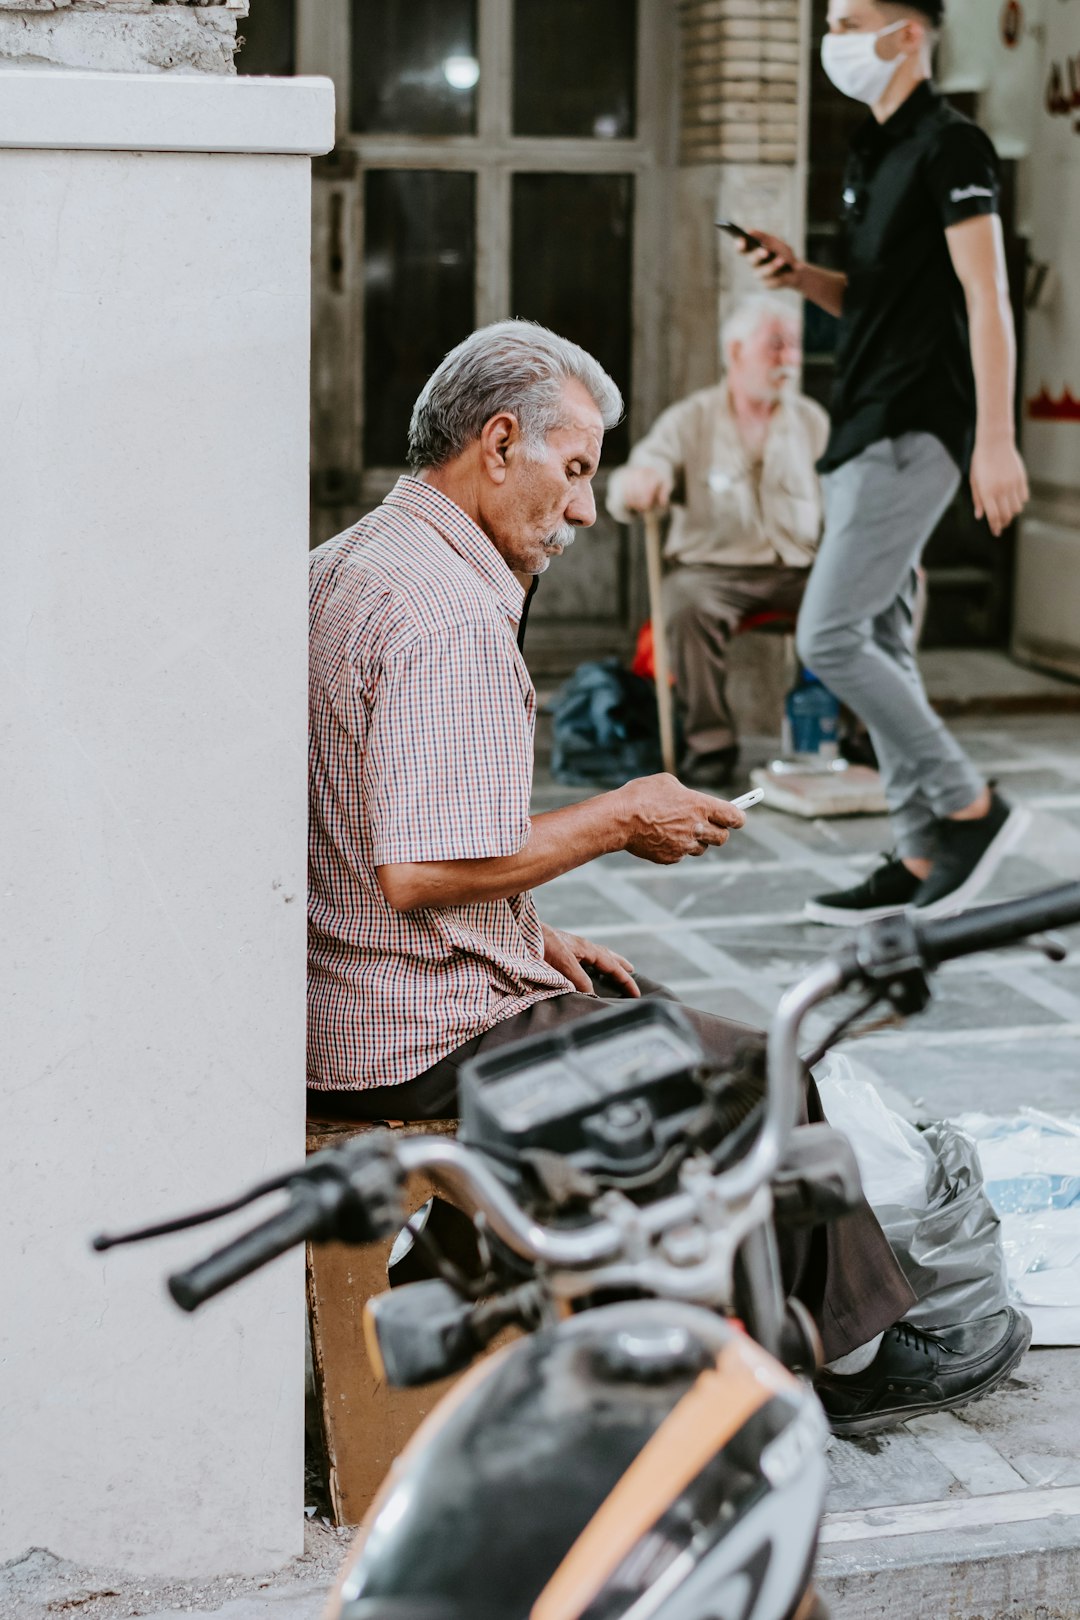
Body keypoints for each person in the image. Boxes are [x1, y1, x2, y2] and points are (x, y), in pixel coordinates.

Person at [308, 318, 1029, 1433]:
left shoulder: (353, 561)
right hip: (407, 1035)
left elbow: (366, 827)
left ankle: (646, 1330)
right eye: (576, 469)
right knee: (759, 1076)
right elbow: (414, 871)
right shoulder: (447, 614)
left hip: (351, 995)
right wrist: (618, 815)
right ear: (499, 444)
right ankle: (837, 1363)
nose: (587, 509)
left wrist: (528, 932)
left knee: (649, 1012)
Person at [741, 0, 1030, 926]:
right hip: (861, 423)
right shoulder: (872, 151)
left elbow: (988, 298)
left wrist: (994, 439)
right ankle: (914, 854)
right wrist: (800, 278)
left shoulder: (954, 148)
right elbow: (872, 298)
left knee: (829, 636)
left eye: (853, 20)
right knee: (882, 641)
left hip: (920, 423)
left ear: (909, 32)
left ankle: (968, 805)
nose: (835, 39)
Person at [606, 296, 829, 788]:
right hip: (714, 572)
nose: (788, 358)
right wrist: (642, 482)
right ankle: (710, 745)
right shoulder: (692, 419)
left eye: (794, 347)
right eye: (775, 346)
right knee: (683, 602)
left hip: (800, 568)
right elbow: (636, 475)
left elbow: (843, 495)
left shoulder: (811, 421)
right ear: (735, 351)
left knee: (867, 593)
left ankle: (855, 737)